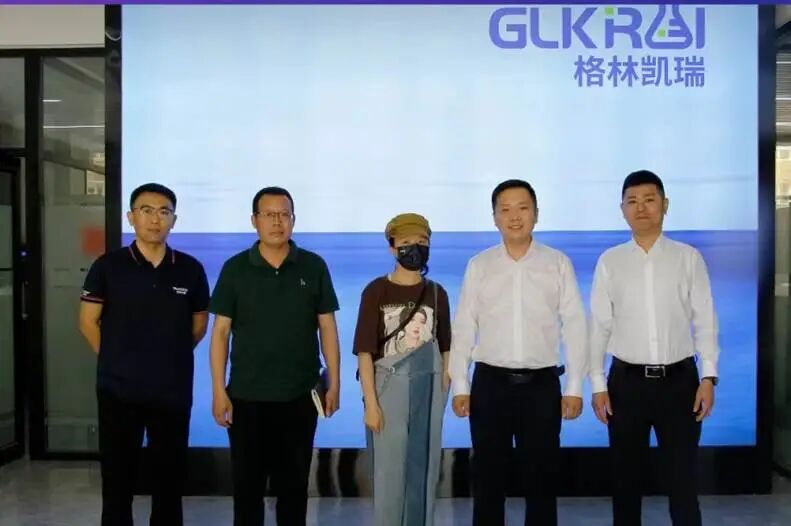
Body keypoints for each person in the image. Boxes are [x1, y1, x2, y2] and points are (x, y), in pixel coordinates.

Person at [449, 179, 587, 526]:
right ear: (495, 217)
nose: (515, 216)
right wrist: (460, 385)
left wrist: (574, 387)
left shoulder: (557, 263)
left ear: (536, 214)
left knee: (542, 482)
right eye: (506, 209)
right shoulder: (479, 265)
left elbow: (574, 326)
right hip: (489, 386)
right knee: (488, 482)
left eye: (523, 208)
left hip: (542, 387)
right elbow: (463, 327)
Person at [589, 170, 718, 526]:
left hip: (680, 384)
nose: (641, 208)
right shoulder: (610, 262)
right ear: (622, 209)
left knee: (683, 483)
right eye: (632, 201)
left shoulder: (688, 258)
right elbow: (599, 325)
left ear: (665, 205)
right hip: (625, 384)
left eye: (649, 199)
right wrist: (597, 384)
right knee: (625, 483)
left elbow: (705, 319)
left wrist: (709, 377)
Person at [208, 186, 341, 526]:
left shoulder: (313, 266)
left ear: (293, 220)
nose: (277, 222)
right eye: (269, 215)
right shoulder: (235, 269)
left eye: (284, 215)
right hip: (246, 398)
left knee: (293, 489)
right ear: (254, 220)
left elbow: (327, 326)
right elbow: (220, 333)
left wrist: (335, 383)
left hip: (299, 397)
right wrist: (218, 391)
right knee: (247, 490)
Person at [79, 183, 209, 526]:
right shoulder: (108, 266)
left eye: (164, 212)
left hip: (172, 391)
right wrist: (116, 359)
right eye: (146, 211)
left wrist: (167, 356)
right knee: (117, 480)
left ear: (174, 220)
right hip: (118, 391)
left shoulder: (190, 269)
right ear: (131, 217)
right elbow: (88, 322)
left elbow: (198, 326)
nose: (155, 219)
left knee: (169, 480)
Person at [353, 213, 451, 526]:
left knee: (425, 468)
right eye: (407, 242)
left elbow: (446, 348)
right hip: (387, 390)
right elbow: (365, 352)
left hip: (428, 389)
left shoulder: (437, 293)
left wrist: (443, 394)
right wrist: (371, 405)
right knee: (389, 471)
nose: (415, 248)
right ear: (392, 247)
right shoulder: (376, 291)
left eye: (422, 241)